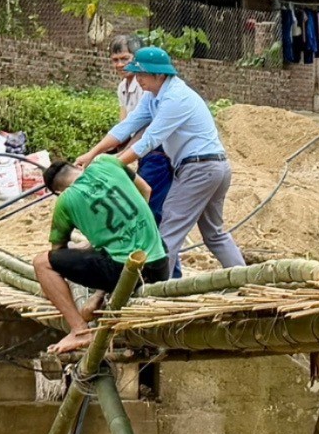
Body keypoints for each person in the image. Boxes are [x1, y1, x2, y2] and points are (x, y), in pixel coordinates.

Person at [84, 46, 244, 270]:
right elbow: (128, 125)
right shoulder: (153, 96)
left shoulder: (175, 98)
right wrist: (92, 153)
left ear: (159, 74)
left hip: (199, 168)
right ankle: (244, 277)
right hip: (214, 167)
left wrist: (115, 164)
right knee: (214, 234)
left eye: (142, 74)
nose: (138, 79)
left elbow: (150, 139)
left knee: (169, 230)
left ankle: (158, 285)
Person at [32, 154, 170, 353]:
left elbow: (57, 251)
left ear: (59, 191)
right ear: (78, 167)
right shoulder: (107, 162)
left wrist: (86, 246)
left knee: (42, 263)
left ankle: (79, 331)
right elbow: (146, 189)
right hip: (159, 263)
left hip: (125, 272)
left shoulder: (66, 200)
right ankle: (101, 293)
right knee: (109, 249)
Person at [105, 34, 174, 219]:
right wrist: (106, 151)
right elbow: (125, 125)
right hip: (141, 149)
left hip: (156, 149)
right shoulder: (122, 87)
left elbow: (146, 127)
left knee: (149, 204)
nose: (120, 64)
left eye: (124, 59)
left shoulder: (145, 84)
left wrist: (122, 157)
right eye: (115, 60)